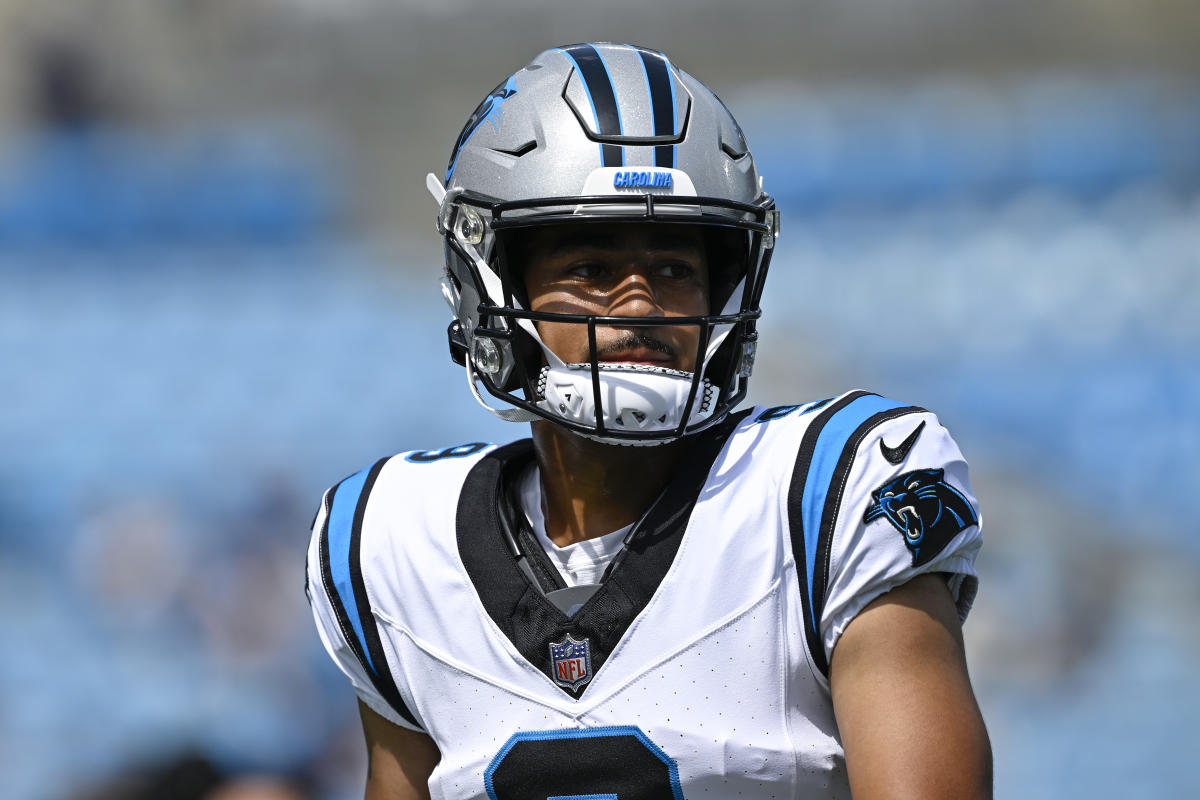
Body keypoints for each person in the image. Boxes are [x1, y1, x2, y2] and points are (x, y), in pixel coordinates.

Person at [306, 42, 991, 799]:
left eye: (674, 269)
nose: (639, 305)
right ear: (490, 286)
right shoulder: (393, 542)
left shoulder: (825, 495)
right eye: (592, 271)